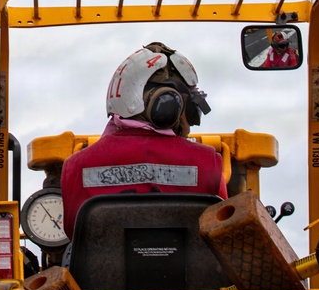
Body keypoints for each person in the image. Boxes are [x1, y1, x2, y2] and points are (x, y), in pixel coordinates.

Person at [60, 42, 226, 239]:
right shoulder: (208, 162)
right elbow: (223, 231)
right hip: (187, 271)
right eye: (189, 106)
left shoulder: (75, 166)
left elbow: (74, 233)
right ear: (168, 103)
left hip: (104, 271)